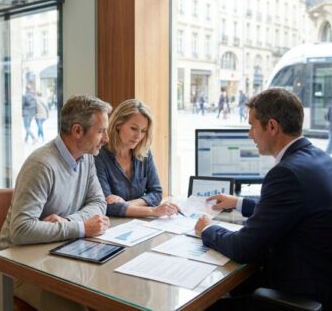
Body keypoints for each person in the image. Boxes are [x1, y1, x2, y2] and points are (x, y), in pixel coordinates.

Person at [195, 88, 332, 310]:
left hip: (298, 293)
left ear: (272, 127)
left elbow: (243, 248)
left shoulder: (286, 173)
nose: (249, 134)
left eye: (252, 126)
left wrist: (208, 229)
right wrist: (238, 202)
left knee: (203, 305)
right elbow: (289, 207)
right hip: (318, 279)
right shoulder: (317, 157)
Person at [0, 95, 112, 311]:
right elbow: (20, 231)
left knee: (105, 297)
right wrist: (80, 227)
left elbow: (98, 203)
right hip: (19, 266)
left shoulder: (86, 158)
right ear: (77, 130)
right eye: (101, 131)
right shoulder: (41, 165)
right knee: (77, 307)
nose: (106, 138)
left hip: (58, 252)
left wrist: (68, 222)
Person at [94, 99, 180, 217]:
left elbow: (157, 193)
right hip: (111, 226)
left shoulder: (145, 154)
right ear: (118, 124)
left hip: (140, 224)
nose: (138, 136)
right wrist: (152, 211)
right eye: (133, 128)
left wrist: (126, 204)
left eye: (143, 131)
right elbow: (106, 205)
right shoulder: (98, 156)